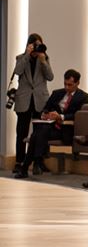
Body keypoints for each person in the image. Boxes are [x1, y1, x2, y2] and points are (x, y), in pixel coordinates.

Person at [15, 69, 88, 179]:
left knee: (36, 135)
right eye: (65, 84)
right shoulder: (57, 93)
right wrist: (45, 114)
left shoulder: (83, 97)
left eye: (70, 85)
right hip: (51, 127)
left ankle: (28, 167)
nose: (67, 87)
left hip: (65, 130)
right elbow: (45, 108)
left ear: (77, 83)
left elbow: (79, 115)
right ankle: (35, 163)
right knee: (39, 132)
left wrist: (62, 117)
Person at [10, 33, 53, 176]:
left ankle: (37, 162)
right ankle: (19, 162)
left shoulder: (44, 58)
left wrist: (43, 61)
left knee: (39, 133)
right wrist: (27, 54)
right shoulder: (21, 58)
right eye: (35, 45)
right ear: (29, 45)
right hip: (24, 100)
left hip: (39, 100)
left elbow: (50, 77)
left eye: (39, 44)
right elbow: (18, 71)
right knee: (21, 132)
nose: (37, 47)